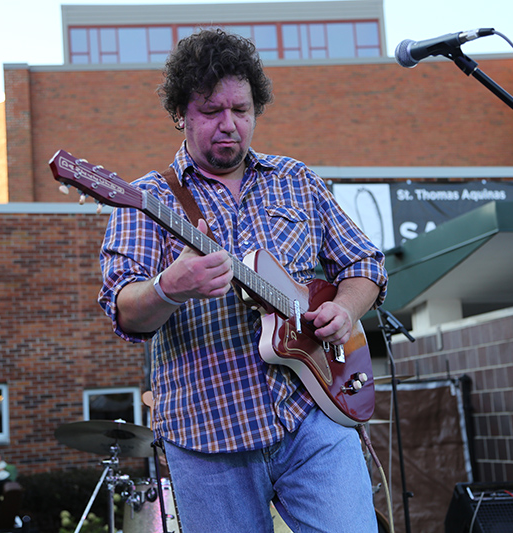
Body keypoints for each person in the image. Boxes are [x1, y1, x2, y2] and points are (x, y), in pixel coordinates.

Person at [98, 29, 387, 533]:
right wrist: (170, 286)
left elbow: (365, 263)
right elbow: (124, 309)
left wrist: (346, 310)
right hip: (208, 437)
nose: (229, 124)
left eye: (242, 110)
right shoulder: (145, 198)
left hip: (314, 417)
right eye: (211, 111)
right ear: (182, 115)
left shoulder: (296, 179)